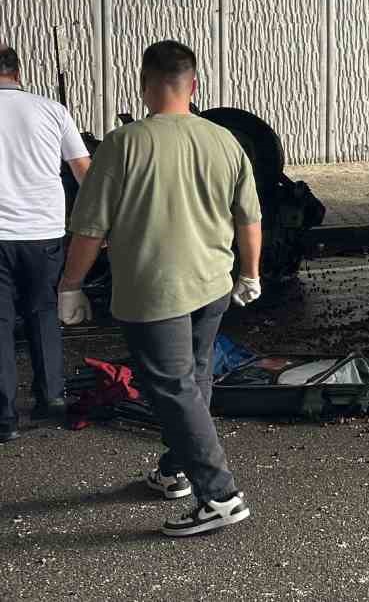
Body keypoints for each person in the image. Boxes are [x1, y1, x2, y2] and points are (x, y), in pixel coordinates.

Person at [58, 40, 263, 537]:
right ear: (193, 85)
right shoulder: (224, 140)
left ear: (146, 85)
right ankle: (176, 471)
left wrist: (70, 286)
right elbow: (249, 219)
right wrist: (250, 274)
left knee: (173, 387)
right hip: (213, 283)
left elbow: (90, 228)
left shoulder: (124, 143)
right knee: (194, 379)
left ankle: (221, 496)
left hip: (155, 291)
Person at [0, 44, 91, 443]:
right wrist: (97, 227)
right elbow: (83, 171)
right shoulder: (52, 109)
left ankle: (4, 419)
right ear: (18, 71)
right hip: (45, 232)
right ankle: (50, 398)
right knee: (42, 311)